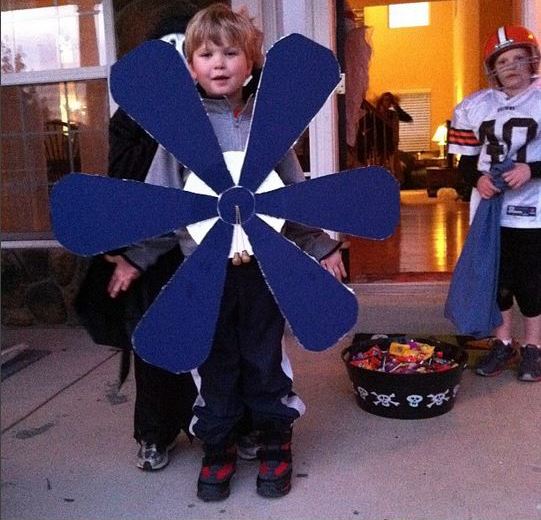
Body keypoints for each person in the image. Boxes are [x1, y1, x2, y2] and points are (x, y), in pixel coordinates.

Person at [106, 3, 347, 501]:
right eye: (206, 54)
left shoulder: (270, 124)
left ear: (251, 61)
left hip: (260, 270)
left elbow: (291, 194)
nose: (219, 63)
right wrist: (136, 258)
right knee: (214, 363)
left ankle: (274, 437)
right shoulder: (178, 132)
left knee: (263, 358)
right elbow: (165, 205)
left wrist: (321, 245)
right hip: (203, 271)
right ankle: (218, 446)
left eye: (231, 52)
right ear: (190, 65)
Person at [75, 11, 201, 473]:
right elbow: (124, 174)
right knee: (154, 340)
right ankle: (153, 432)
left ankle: (214, 423)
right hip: (152, 243)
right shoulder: (131, 115)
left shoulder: (222, 107)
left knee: (215, 338)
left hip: (204, 243)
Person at [447, 25, 541, 381]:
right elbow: (466, 162)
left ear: (532, 60)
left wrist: (530, 170)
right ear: (493, 67)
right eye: (504, 60)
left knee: (531, 282)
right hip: (490, 211)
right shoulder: (474, 106)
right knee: (496, 280)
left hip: (534, 209)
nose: (512, 66)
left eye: (519, 57)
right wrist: (478, 180)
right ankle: (503, 342)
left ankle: (534, 347)